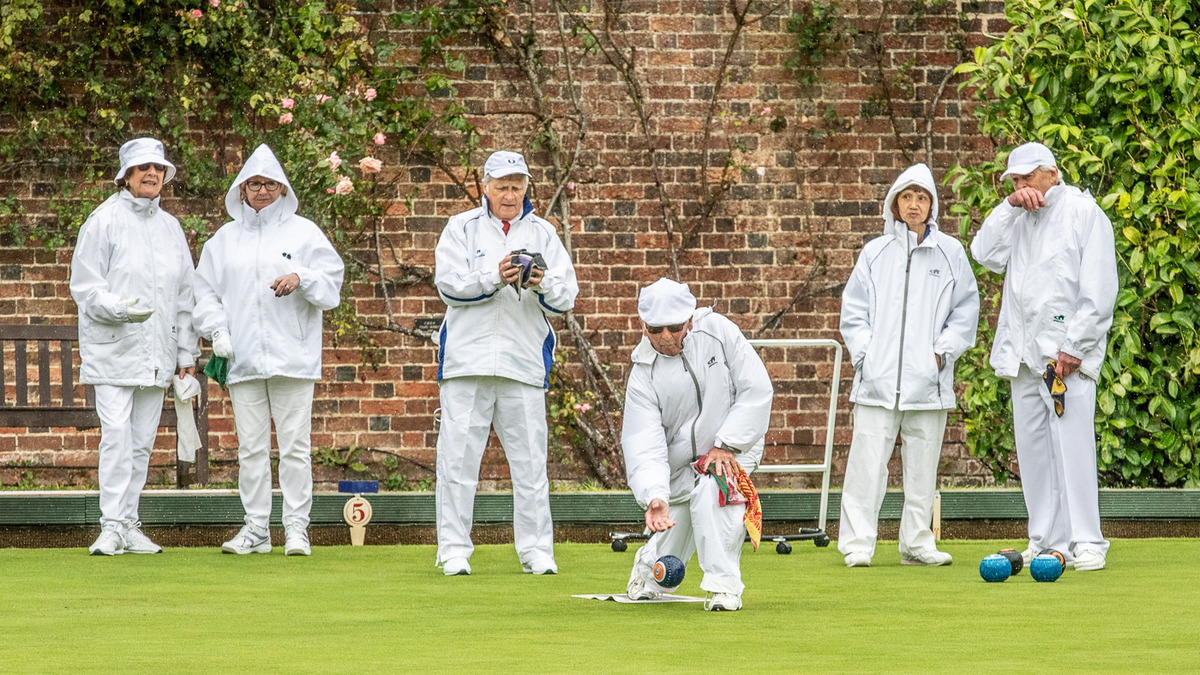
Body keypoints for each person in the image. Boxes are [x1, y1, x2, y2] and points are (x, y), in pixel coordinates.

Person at [970, 142, 1117, 572]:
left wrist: (1074, 346)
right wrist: (1009, 206)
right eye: (1013, 181)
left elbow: (1099, 290)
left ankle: (1087, 541)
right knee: (1033, 451)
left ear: (1051, 173)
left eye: (1025, 178)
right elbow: (982, 254)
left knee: (1072, 448)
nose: (1020, 187)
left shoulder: (1084, 213)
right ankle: (1046, 540)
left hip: (1065, 357)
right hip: (1022, 354)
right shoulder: (1018, 217)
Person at [193, 144, 345, 556]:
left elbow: (331, 285)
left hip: (292, 357)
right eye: (254, 184)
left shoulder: (304, 233)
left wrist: (302, 277)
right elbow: (204, 292)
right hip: (242, 359)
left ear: (282, 189)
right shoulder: (224, 240)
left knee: (295, 447)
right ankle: (256, 528)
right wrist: (217, 332)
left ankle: (297, 527)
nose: (261, 191)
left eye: (269, 184)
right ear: (241, 190)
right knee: (252, 448)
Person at [433, 150, 578, 576]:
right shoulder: (460, 227)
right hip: (465, 362)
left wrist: (540, 281)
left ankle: (537, 551)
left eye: (517, 186)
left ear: (526, 189)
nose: (509, 194)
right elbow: (449, 286)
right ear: (486, 187)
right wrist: (495, 275)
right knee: (457, 462)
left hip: (523, 362)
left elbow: (566, 295)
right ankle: (454, 550)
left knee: (532, 464)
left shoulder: (544, 233)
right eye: (501, 186)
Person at [838, 163, 979, 568]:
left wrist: (941, 354)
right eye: (906, 197)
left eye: (921, 197)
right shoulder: (874, 253)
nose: (914, 205)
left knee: (922, 468)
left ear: (931, 205)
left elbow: (966, 309)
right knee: (866, 465)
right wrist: (866, 356)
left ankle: (917, 543)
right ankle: (857, 544)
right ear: (894, 205)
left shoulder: (951, 253)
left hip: (927, 383)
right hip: (877, 383)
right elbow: (854, 312)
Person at [70, 137, 200, 556]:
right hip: (113, 349)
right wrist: (121, 310)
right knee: (117, 436)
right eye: (143, 168)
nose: (151, 174)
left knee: (142, 441)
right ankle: (110, 525)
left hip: (157, 353)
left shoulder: (171, 228)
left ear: (165, 176)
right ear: (125, 175)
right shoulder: (103, 221)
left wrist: (186, 356)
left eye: (158, 169)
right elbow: (85, 287)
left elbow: (185, 297)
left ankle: (128, 523)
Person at [621, 278, 773, 611]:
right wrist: (655, 495)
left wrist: (726, 444)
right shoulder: (642, 374)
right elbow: (643, 443)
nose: (665, 337)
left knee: (711, 490)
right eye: (655, 329)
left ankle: (723, 588)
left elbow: (757, 389)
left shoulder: (718, 331)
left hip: (738, 445)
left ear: (690, 319)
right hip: (680, 464)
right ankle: (647, 572)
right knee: (673, 530)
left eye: (674, 327)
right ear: (642, 326)